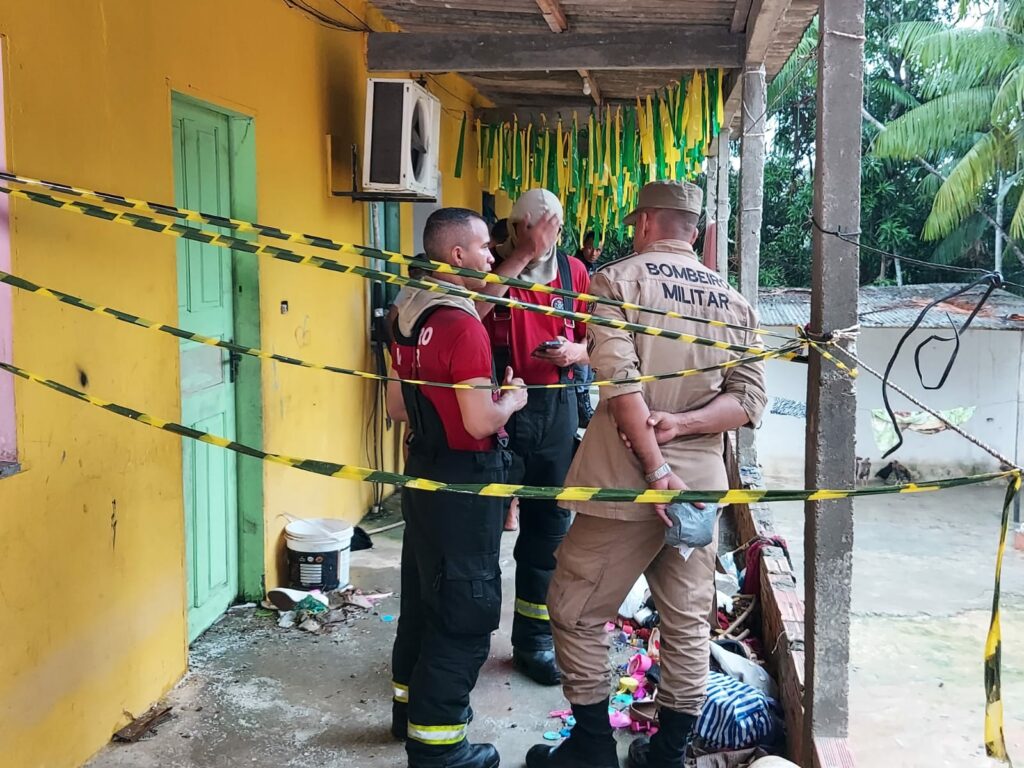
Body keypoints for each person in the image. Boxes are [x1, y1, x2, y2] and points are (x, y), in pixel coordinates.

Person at [526, 180, 767, 768]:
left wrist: (657, 466)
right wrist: (683, 428)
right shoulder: (735, 303)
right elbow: (750, 402)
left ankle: (589, 749)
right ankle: (667, 754)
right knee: (687, 622)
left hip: (627, 481)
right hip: (701, 491)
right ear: (697, 232)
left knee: (575, 609)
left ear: (645, 223)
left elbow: (619, 381)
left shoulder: (617, 280)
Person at [387, 207, 529, 768]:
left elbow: (399, 407)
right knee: (465, 612)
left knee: (424, 600)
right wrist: (512, 398)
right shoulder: (462, 325)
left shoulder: (405, 313)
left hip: (422, 472)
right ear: (456, 256)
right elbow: (478, 422)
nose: (492, 257)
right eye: (485, 249)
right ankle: (439, 748)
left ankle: (407, 715)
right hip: (463, 484)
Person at [479, 189, 591, 686]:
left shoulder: (574, 273)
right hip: (497, 412)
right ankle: (469, 641)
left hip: (558, 408)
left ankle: (534, 642)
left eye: (556, 226)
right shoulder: (491, 268)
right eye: (540, 226)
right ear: (518, 226)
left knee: (548, 536)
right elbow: (470, 308)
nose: (551, 236)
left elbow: (603, 337)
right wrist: (522, 255)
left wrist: (576, 352)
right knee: (479, 536)